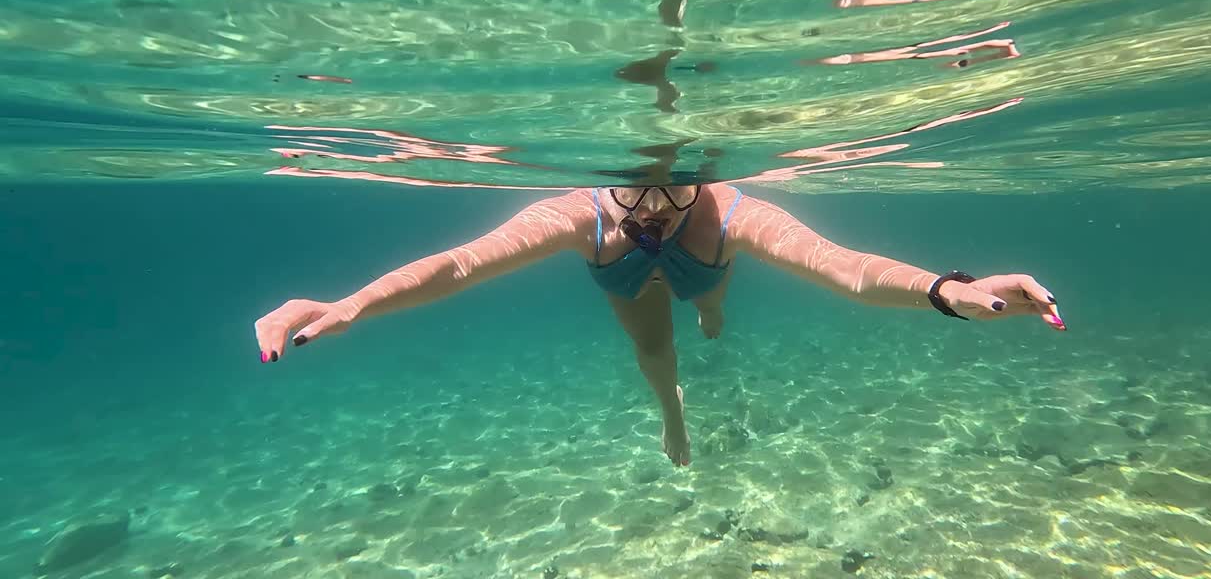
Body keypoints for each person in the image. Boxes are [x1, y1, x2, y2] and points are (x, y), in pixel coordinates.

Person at [254, 183, 1064, 467]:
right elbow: (465, 263)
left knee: (708, 299)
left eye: (674, 189)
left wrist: (945, 289)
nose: (652, 208)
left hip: (708, 265)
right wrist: (352, 301)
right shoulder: (580, 215)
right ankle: (673, 407)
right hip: (620, 276)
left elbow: (844, 267)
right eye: (632, 190)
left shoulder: (731, 212)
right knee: (653, 348)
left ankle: (712, 309)